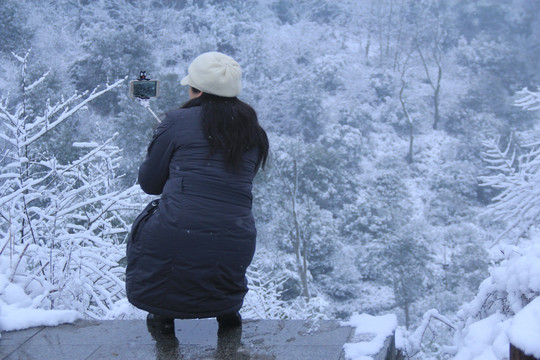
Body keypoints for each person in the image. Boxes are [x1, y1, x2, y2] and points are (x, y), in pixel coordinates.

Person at [126, 52, 269, 334]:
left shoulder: (176, 122)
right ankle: (229, 328)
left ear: (198, 90)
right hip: (236, 239)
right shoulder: (253, 131)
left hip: (175, 234)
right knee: (221, 286)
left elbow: (150, 184)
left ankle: (164, 332)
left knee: (153, 235)